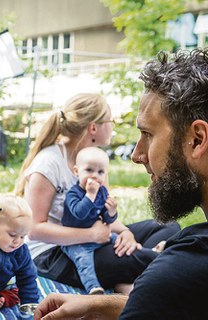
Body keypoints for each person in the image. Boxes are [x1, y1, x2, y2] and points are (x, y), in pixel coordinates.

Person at [34, 48, 208, 320]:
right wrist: (97, 304)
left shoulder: (176, 275)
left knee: (163, 231)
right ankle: (151, 256)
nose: (136, 155)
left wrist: (122, 230)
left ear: (197, 139)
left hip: (102, 243)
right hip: (64, 253)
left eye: (147, 134)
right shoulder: (49, 162)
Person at [16, 93, 180, 294]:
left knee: (167, 227)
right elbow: (34, 229)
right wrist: (90, 234)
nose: (113, 126)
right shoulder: (49, 163)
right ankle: (151, 263)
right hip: (53, 253)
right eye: (110, 121)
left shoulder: (95, 162)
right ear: (93, 127)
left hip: (93, 239)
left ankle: (133, 274)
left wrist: (125, 233)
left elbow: (102, 215)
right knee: (137, 258)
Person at [61, 147, 118, 295]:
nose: (95, 176)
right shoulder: (72, 194)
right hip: (75, 242)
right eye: (89, 170)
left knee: (119, 240)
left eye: (100, 172)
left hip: (97, 237)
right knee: (84, 261)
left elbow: (106, 218)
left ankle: (145, 251)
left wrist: (112, 212)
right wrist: (90, 194)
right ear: (76, 171)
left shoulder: (102, 192)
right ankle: (93, 287)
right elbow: (79, 213)